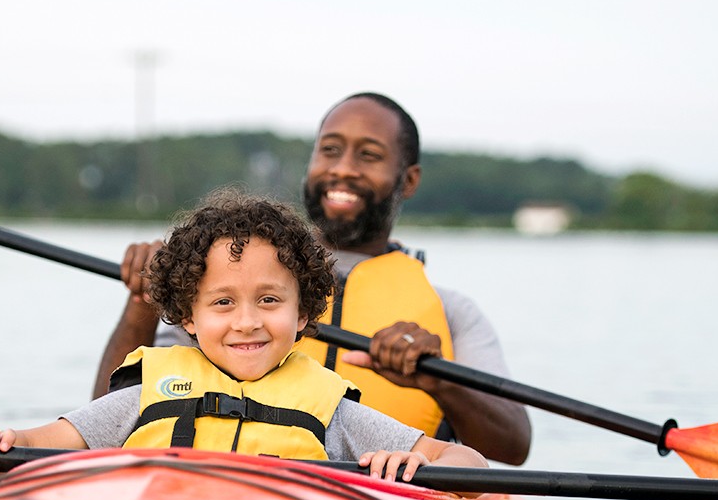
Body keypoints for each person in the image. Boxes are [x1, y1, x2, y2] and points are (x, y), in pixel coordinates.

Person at [92, 92, 532, 466]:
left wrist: (437, 378)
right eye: (330, 150)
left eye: (370, 156)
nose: (343, 169)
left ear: (409, 179)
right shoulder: (220, 287)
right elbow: (108, 417)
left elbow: (513, 446)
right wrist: (146, 298)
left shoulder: (452, 313)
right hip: (230, 490)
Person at [0, 191, 488, 488]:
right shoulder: (142, 398)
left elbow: (469, 467)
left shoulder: (332, 413)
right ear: (185, 315)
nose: (246, 322)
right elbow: (39, 445)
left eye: (269, 301)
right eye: (222, 303)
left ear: (304, 314)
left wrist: (421, 466)